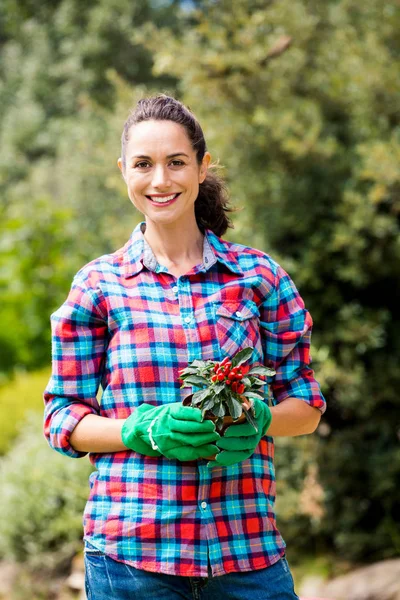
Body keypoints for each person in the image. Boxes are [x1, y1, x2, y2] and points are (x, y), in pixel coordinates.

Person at [43, 94, 326, 600]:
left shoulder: (259, 277)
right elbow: (63, 419)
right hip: (130, 557)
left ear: (201, 167)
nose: (160, 180)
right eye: (143, 165)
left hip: (247, 551)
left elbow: (306, 405)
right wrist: (138, 428)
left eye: (176, 163)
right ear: (123, 171)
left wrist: (260, 419)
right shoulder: (98, 285)